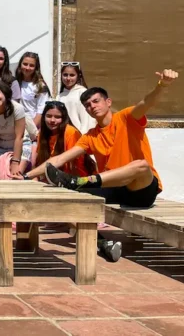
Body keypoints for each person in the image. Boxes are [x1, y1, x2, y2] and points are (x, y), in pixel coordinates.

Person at [28, 70, 178, 261]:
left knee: (140, 165)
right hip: (114, 188)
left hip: (142, 189)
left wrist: (162, 85)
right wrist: (27, 176)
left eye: (96, 101)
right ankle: (102, 243)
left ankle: (79, 181)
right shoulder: (91, 136)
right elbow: (58, 160)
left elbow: (146, 103)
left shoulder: (126, 118)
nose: (92, 106)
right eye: (87, 105)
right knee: (62, 196)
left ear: (108, 102)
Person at [0, 80, 32, 180]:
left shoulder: (17, 108)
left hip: (21, 145)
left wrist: (15, 162)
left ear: (4, 92)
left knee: (15, 176)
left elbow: (19, 137)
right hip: (0, 146)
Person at [34, 101, 89, 177]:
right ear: (43, 117)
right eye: (49, 116)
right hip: (54, 178)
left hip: (76, 178)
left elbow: (74, 164)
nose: (52, 120)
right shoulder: (41, 133)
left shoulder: (70, 132)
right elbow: (40, 160)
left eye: (57, 117)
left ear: (64, 118)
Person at [57, 62, 95, 134]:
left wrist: (83, 137)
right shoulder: (59, 96)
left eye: (72, 75)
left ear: (78, 76)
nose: (68, 78)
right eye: (65, 75)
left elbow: (87, 120)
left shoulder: (83, 93)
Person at [15, 52, 50, 129]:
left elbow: (41, 111)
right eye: (25, 64)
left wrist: (30, 129)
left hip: (33, 128)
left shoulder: (41, 86)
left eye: (31, 65)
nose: (27, 68)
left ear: (36, 68)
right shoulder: (15, 83)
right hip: (17, 126)